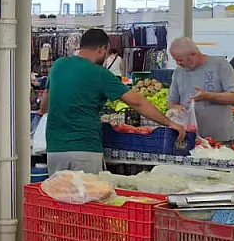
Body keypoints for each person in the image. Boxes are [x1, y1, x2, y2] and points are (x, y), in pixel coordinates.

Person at [42, 28, 187, 173]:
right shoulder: (100, 74)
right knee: (88, 194)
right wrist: (170, 123)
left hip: (55, 149)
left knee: (56, 193)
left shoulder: (58, 66)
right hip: (84, 149)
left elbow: (44, 105)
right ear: (102, 49)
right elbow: (138, 102)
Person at [167, 37, 234, 143]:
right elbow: (171, 102)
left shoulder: (220, 65)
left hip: (219, 139)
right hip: (189, 138)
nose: (177, 63)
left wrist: (208, 96)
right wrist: (175, 107)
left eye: (180, 60)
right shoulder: (179, 72)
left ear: (193, 55)